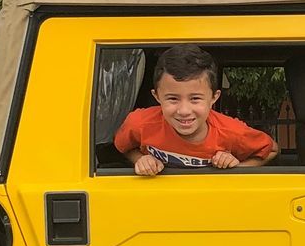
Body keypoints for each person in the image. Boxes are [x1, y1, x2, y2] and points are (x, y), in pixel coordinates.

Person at [114, 45, 279, 176]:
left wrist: (237, 168)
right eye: (173, 98)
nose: (184, 110)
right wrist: (140, 160)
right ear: (157, 96)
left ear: (214, 97)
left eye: (195, 99)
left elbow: (272, 150)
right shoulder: (139, 123)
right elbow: (123, 147)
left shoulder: (231, 132)